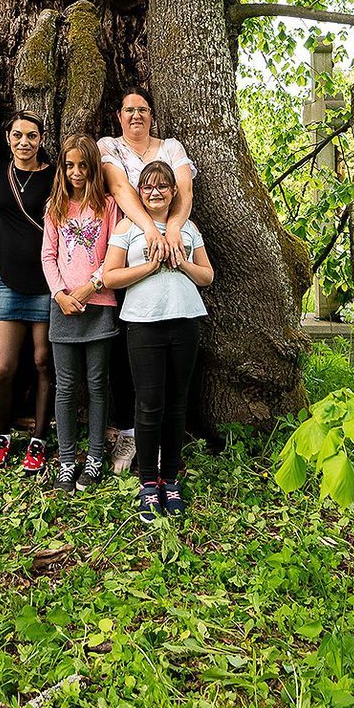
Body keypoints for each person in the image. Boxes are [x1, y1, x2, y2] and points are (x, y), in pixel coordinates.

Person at [101, 161, 214, 523]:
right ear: (139, 192)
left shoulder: (189, 228)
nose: (155, 192)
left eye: (163, 186)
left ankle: (171, 479)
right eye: (148, 186)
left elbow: (207, 275)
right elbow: (110, 276)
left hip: (184, 321)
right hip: (143, 323)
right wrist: (148, 268)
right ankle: (148, 481)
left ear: (173, 192)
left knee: (177, 404)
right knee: (148, 405)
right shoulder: (128, 226)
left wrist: (181, 264)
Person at [96, 88, 198, 474]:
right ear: (119, 116)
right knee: (125, 350)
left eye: (142, 110)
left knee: (169, 350)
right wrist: (149, 232)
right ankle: (127, 431)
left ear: (151, 115)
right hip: (126, 243)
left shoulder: (170, 147)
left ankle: (164, 444)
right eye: (128, 110)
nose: (135, 115)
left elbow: (184, 190)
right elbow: (121, 188)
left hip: (171, 251)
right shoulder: (110, 146)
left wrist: (172, 230)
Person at [41, 135, 118, 491]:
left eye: (82, 165)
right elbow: (48, 255)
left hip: (99, 305)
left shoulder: (108, 206)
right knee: (67, 386)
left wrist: (91, 287)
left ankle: (96, 458)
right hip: (64, 308)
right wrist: (60, 293)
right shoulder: (55, 207)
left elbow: (113, 255)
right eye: (69, 165)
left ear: (92, 168)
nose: (75, 172)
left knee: (98, 384)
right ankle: (68, 461)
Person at [0, 112, 55, 474]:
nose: (24, 142)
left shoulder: (55, 175)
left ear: (41, 139)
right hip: (7, 280)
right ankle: (2, 434)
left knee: (44, 362)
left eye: (31, 136)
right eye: (17, 135)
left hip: (46, 281)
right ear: (8, 137)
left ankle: (40, 439)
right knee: (3, 366)